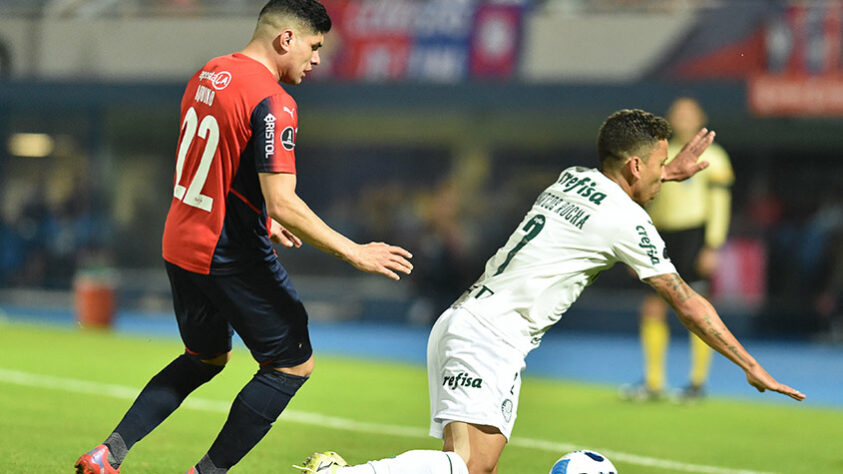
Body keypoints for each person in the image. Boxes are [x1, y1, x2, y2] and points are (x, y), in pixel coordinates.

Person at [294, 109, 804, 474]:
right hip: (490, 338)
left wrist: (666, 172)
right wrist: (748, 364)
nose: (664, 172)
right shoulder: (630, 221)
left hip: (463, 321)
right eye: (659, 162)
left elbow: (622, 188)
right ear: (634, 167)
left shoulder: (572, 178)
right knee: (469, 468)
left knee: (468, 469)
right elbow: (687, 302)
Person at [75, 1, 413, 473]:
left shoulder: (208, 73)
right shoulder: (274, 101)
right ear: (286, 39)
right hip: (227, 252)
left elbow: (215, 165)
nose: (316, 60)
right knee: (292, 363)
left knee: (205, 356)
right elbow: (285, 202)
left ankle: (107, 453)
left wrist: (259, 213)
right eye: (314, 47)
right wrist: (353, 250)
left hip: (180, 242)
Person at [622, 96, 734, 402]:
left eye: (689, 113)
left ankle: (697, 383)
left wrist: (713, 245)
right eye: (678, 113)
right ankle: (654, 382)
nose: (683, 118)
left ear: (700, 117)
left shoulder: (717, 157)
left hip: (695, 236)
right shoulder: (658, 154)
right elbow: (642, 199)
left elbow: (720, 204)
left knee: (697, 310)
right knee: (652, 308)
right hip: (659, 235)